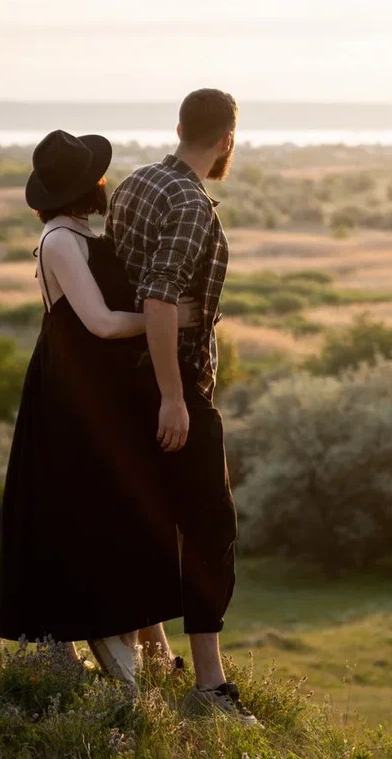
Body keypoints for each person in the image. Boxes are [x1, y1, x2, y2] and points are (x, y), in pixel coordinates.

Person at [0, 129, 199, 687]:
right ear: (91, 184)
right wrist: (172, 319)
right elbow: (102, 324)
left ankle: (151, 656)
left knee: (124, 513)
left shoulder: (79, 233)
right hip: (73, 399)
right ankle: (121, 661)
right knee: (99, 516)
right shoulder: (61, 240)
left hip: (98, 395)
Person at [105, 88, 256, 724]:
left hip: (123, 380)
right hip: (171, 383)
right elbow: (160, 297)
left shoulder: (137, 181)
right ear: (227, 140)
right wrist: (174, 395)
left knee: (153, 515)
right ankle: (210, 687)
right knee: (210, 527)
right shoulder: (192, 204)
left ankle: (151, 646)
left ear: (177, 128)